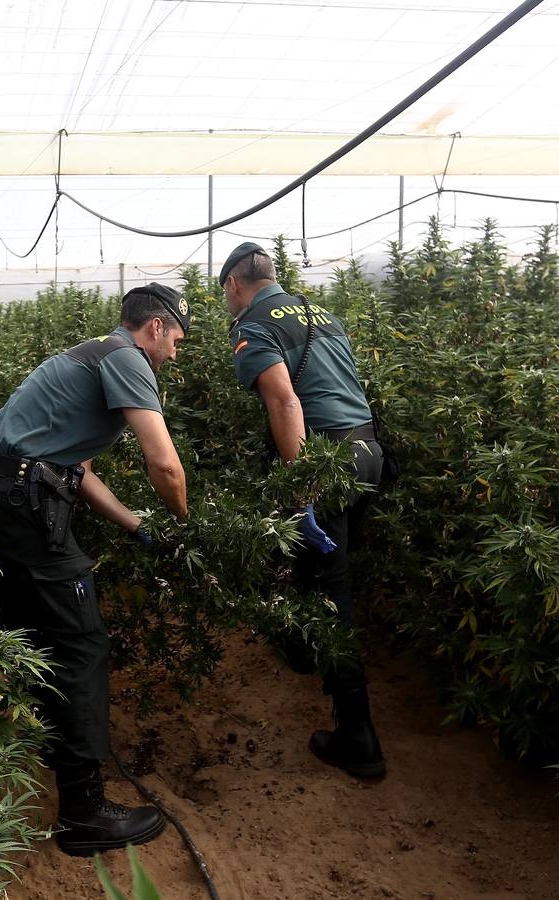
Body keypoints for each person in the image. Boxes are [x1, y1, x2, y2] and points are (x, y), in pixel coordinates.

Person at [0, 283, 190, 855]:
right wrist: (185, 525)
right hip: (18, 501)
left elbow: (77, 471)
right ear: (155, 327)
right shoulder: (129, 360)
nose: (175, 355)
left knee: (33, 629)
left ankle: (41, 741)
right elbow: (165, 463)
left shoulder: (89, 355)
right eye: (177, 340)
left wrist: (138, 526)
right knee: (82, 643)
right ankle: (84, 812)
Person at [220, 241, 387, 779]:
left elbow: (285, 401)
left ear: (233, 285)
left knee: (332, 592)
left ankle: (358, 738)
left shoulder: (254, 323)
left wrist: (303, 486)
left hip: (327, 460)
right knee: (317, 570)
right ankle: (300, 647)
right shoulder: (321, 312)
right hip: (369, 452)